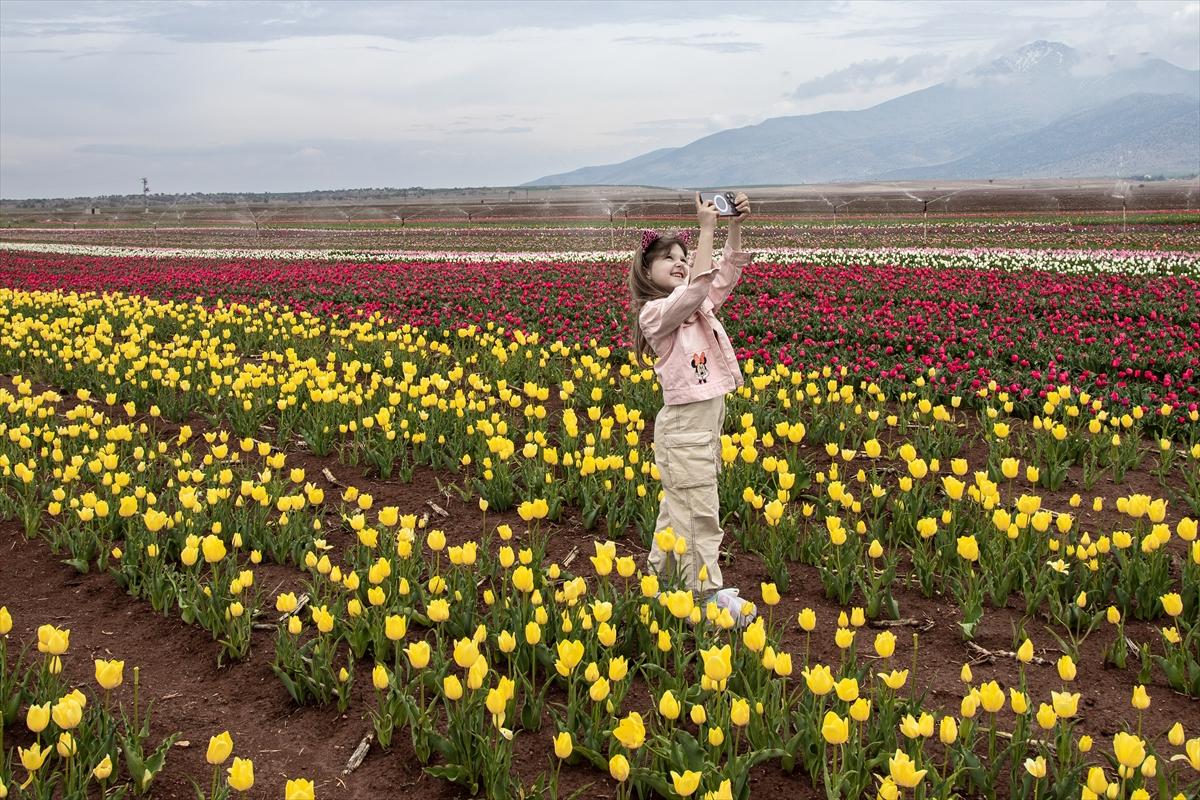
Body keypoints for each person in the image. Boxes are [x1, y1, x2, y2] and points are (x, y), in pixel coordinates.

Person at [628, 191, 757, 627]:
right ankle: (703, 601)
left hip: (700, 429)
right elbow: (699, 286)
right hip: (685, 429)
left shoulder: (695, 303)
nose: (680, 263)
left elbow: (725, 274)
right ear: (645, 271)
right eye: (669, 258)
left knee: (678, 509)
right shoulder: (654, 314)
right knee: (699, 513)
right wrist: (706, 230)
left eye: (684, 258)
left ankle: (661, 585)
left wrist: (733, 225)